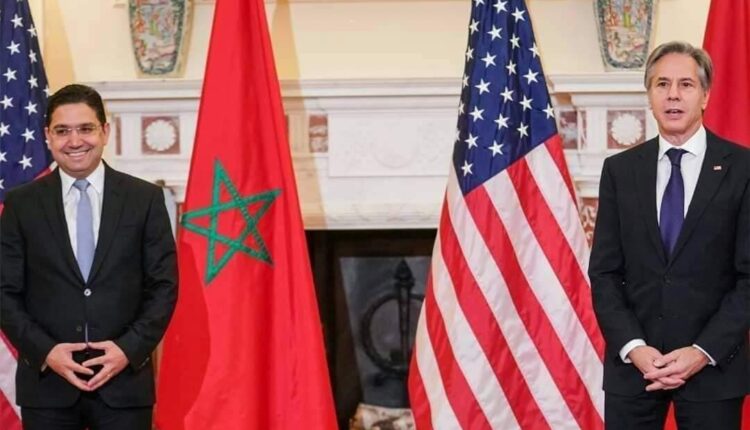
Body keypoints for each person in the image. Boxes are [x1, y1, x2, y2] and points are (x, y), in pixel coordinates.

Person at [589, 41, 749, 429]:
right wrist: (635, 348)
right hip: (635, 369)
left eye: (685, 84)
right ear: (649, 95)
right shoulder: (620, 171)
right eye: (662, 84)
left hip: (713, 368)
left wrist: (701, 351)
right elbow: (605, 273)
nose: (673, 94)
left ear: (705, 95)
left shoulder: (743, 168)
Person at [0, 84, 177, 429]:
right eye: (62, 131)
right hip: (47, 387)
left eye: (85, 128)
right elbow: (4, 291)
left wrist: (127, 349)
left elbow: (164, 286)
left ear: (105, 131)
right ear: (47, 136)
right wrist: (46, 352)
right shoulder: (21, 204)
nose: (75, 141)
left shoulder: (145, 199)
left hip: (124, 387)